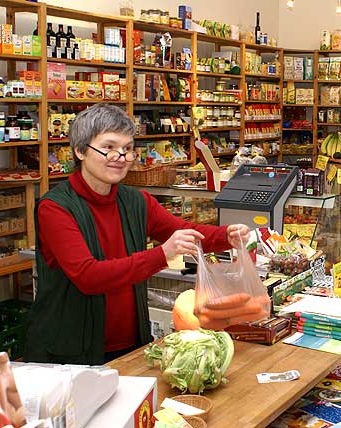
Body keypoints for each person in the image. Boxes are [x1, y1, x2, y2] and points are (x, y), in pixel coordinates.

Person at [24, 104, 268, 365]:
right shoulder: (56, 208)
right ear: (80, 151)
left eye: (127, 148)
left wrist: (225, 236)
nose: (120, 157)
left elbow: (182, 230)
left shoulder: (135, 201)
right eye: (109, 147)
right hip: (69, 353)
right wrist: (162, 254)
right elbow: (88, 276)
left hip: (131, 345)